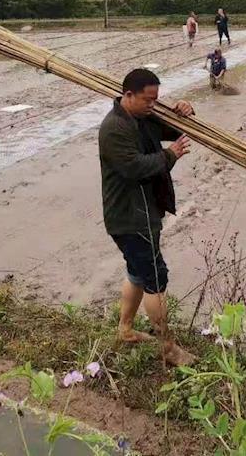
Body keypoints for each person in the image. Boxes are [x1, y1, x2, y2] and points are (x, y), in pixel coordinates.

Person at [98, 68, 196, 365]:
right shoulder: (114, 128)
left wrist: (185, 112)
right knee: (155, 278)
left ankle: (125, 329)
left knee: (138, 272)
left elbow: (174, 129)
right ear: (128, 95)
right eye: (148, 100)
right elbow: (135, 167)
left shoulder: (143, 117)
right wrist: (171, 155)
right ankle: (169, 349)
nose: (153, 105)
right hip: (130, 218)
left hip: (143, 212)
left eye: (156, 100)